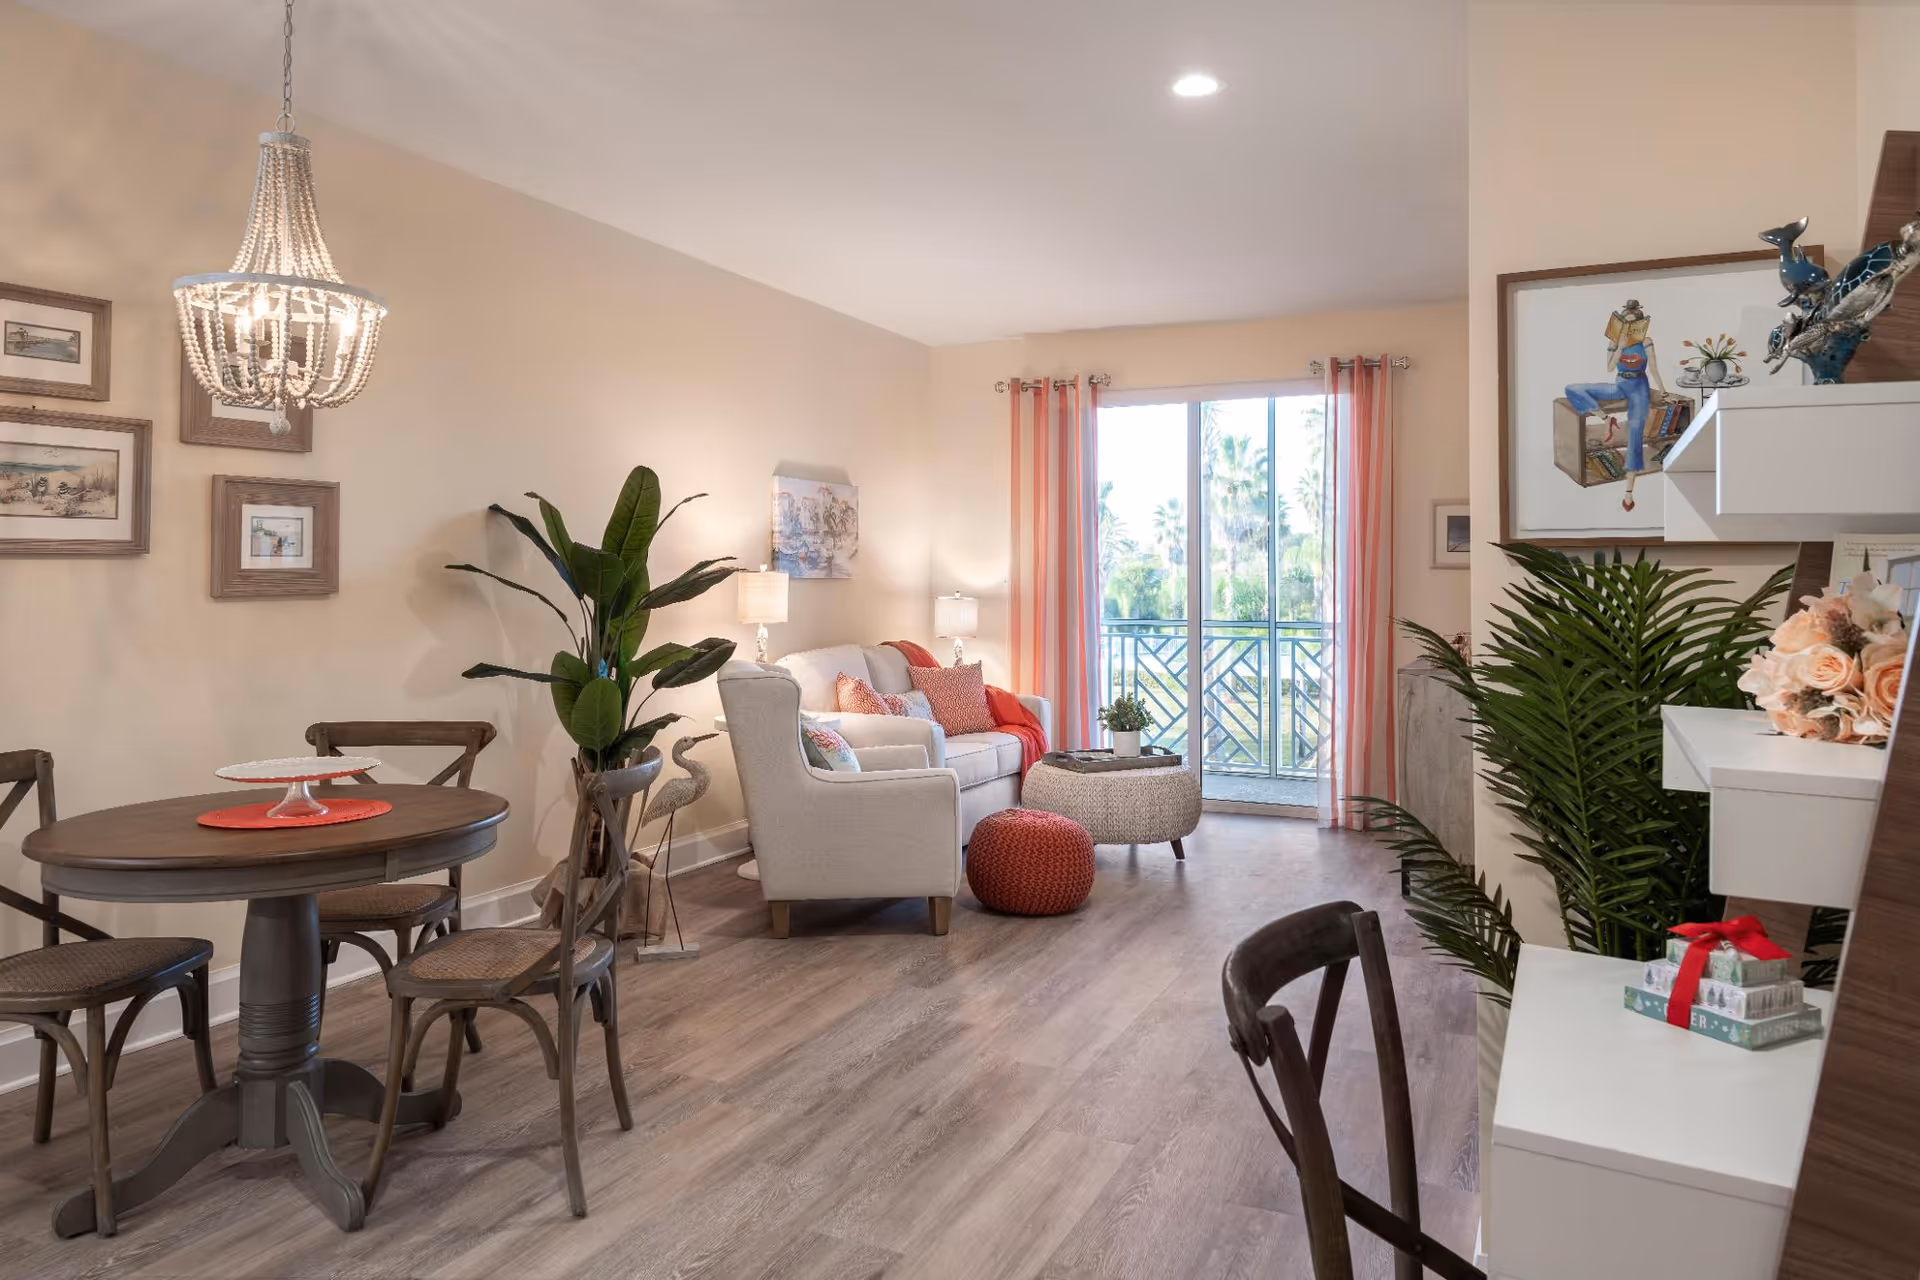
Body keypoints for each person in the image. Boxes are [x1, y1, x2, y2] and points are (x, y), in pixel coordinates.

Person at [1564, 300, 1668, 512]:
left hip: (1639, 387)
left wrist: (1663, 391)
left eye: (1633, 324)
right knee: (1573, 389)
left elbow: (1654, 368)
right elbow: (1610, 367)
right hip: (1620, 384)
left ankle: (1628, 492)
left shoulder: (1646, 341)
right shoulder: (1614, 341)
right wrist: (1619, 346)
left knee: (1635, 434)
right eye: (1625, 323)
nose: (1628, 328)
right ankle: (1606, 418)